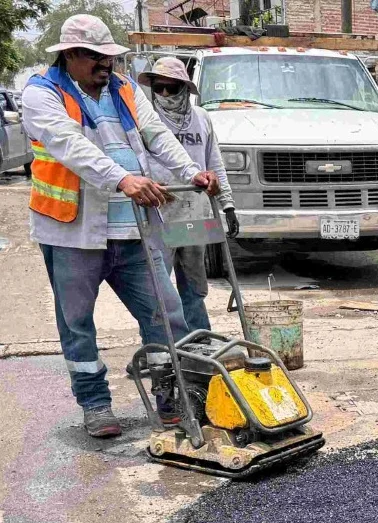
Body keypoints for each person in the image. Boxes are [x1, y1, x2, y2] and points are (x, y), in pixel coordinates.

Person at [23, 15, 221, 437]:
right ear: (71, 55)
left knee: (166, 315)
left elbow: (157, 135)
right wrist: (122, 178)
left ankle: (171, 400)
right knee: (76, 322)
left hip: (134, 229)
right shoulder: (42, 93)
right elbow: (68, 144)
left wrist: (192, 170)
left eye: (109, 57)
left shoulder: (125, 89)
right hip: (73, 232)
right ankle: (95, 404)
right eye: (95, 57)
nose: (105, 65)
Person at [139, 57, 237, 335]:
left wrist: (228, 205)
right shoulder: (145, 121)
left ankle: (199, 339)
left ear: (184, 88)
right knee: (159, 286)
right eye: (159, 89)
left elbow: (213, 161)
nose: (166, 95)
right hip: (160, 212)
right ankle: (163, 344)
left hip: (194, 211)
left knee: (194, 283)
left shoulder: (201, 118)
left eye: (172, 88)